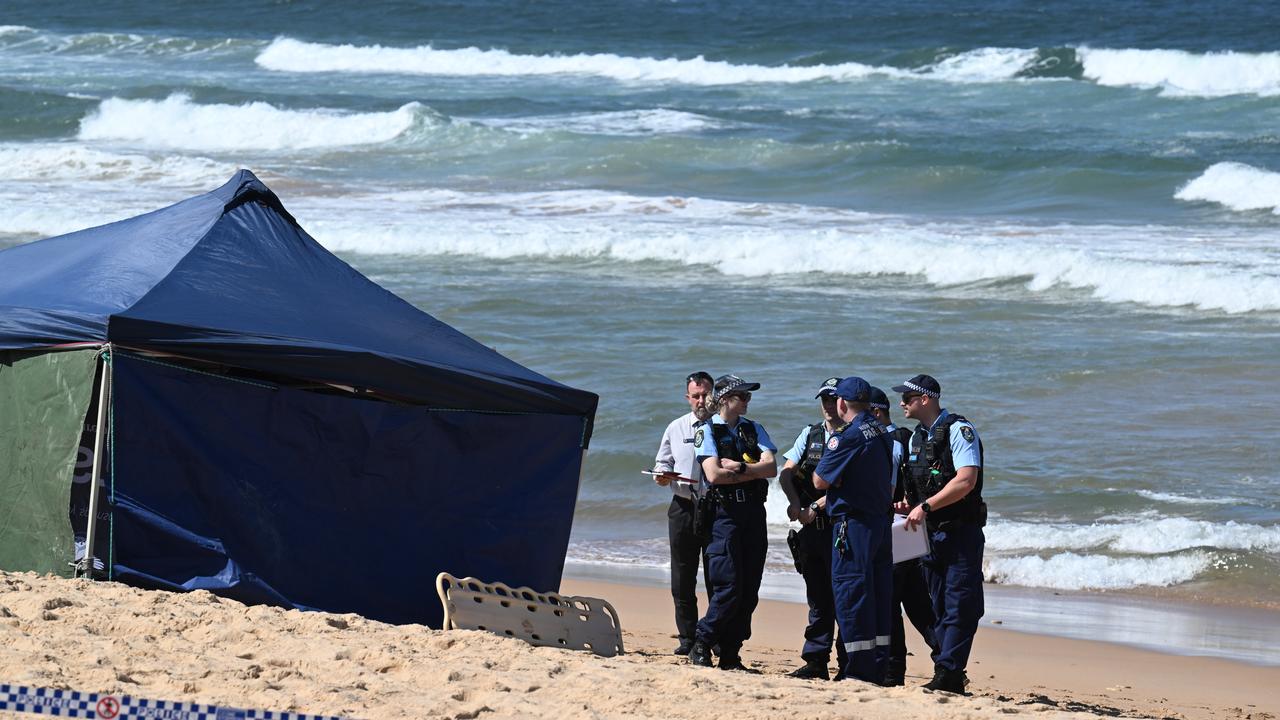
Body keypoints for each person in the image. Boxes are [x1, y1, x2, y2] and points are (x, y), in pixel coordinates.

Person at [893, 374, 986, 694]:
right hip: (929, 535)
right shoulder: (916, 438)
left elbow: (966, 480)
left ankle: (948, 672)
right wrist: (910, 504)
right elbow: (922, 487)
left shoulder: (959, 430)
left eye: (907, 397)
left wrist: (926, 506)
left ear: (926, 399)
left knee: (961, 604)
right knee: (938, 607)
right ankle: (949, 672)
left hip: (960, 532)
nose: (901, 403)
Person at [687, 374, 777, 672]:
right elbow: (713, 475)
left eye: (749, 396)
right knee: (728, 586)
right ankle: (702, 642)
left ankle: (731, 653)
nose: (748, 400)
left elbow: (771, 468)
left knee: (749, 589)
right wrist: (753, 470)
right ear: (725, 399)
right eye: (743, 396)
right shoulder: (706, 431)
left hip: (753, 513)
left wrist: (738, 467)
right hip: (723, 515)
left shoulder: (754, 428)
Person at [812, 376, 894, 685]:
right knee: (878, 594)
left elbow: (819, 480)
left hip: (854, 525)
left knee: (852, 593)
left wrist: (839, 477)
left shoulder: (847, 436)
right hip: (880, 524)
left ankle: (859, 670)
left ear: (841, 403)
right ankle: (878, 666)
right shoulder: (882, 430)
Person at [868, 386, 938, 686]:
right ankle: (946, 660)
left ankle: (894, 670)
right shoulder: (910, 437)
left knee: (891, 601)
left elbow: (889, 488)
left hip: (894, 529)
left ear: (875, 413)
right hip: (911, 529)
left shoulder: (891, 441)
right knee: (916, 601)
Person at [777, 377, 846, 680]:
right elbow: (785, 473)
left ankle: (848, 663)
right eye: (824, 400)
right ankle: (816, 661)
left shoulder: (853, 435)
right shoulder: (810, 433)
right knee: (818, 598)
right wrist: (795, 504)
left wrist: (815, 507)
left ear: (843, 402)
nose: (829, 405)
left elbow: (850, 486)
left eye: (833, 399)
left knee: (843, 598)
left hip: (839, 529)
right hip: (811, 530)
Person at [652, 371, 715, 655]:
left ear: (714, 396)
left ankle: (714, 637)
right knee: (682, 577)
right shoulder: (676, 427)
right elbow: (662, 463)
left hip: (715, 508)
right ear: (687, 398)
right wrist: (661, 475)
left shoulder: (723, 427)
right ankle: (687, 638)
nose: (701, 401)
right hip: (683, 507)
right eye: (696, 396)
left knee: (717, 576)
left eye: (705, 395)